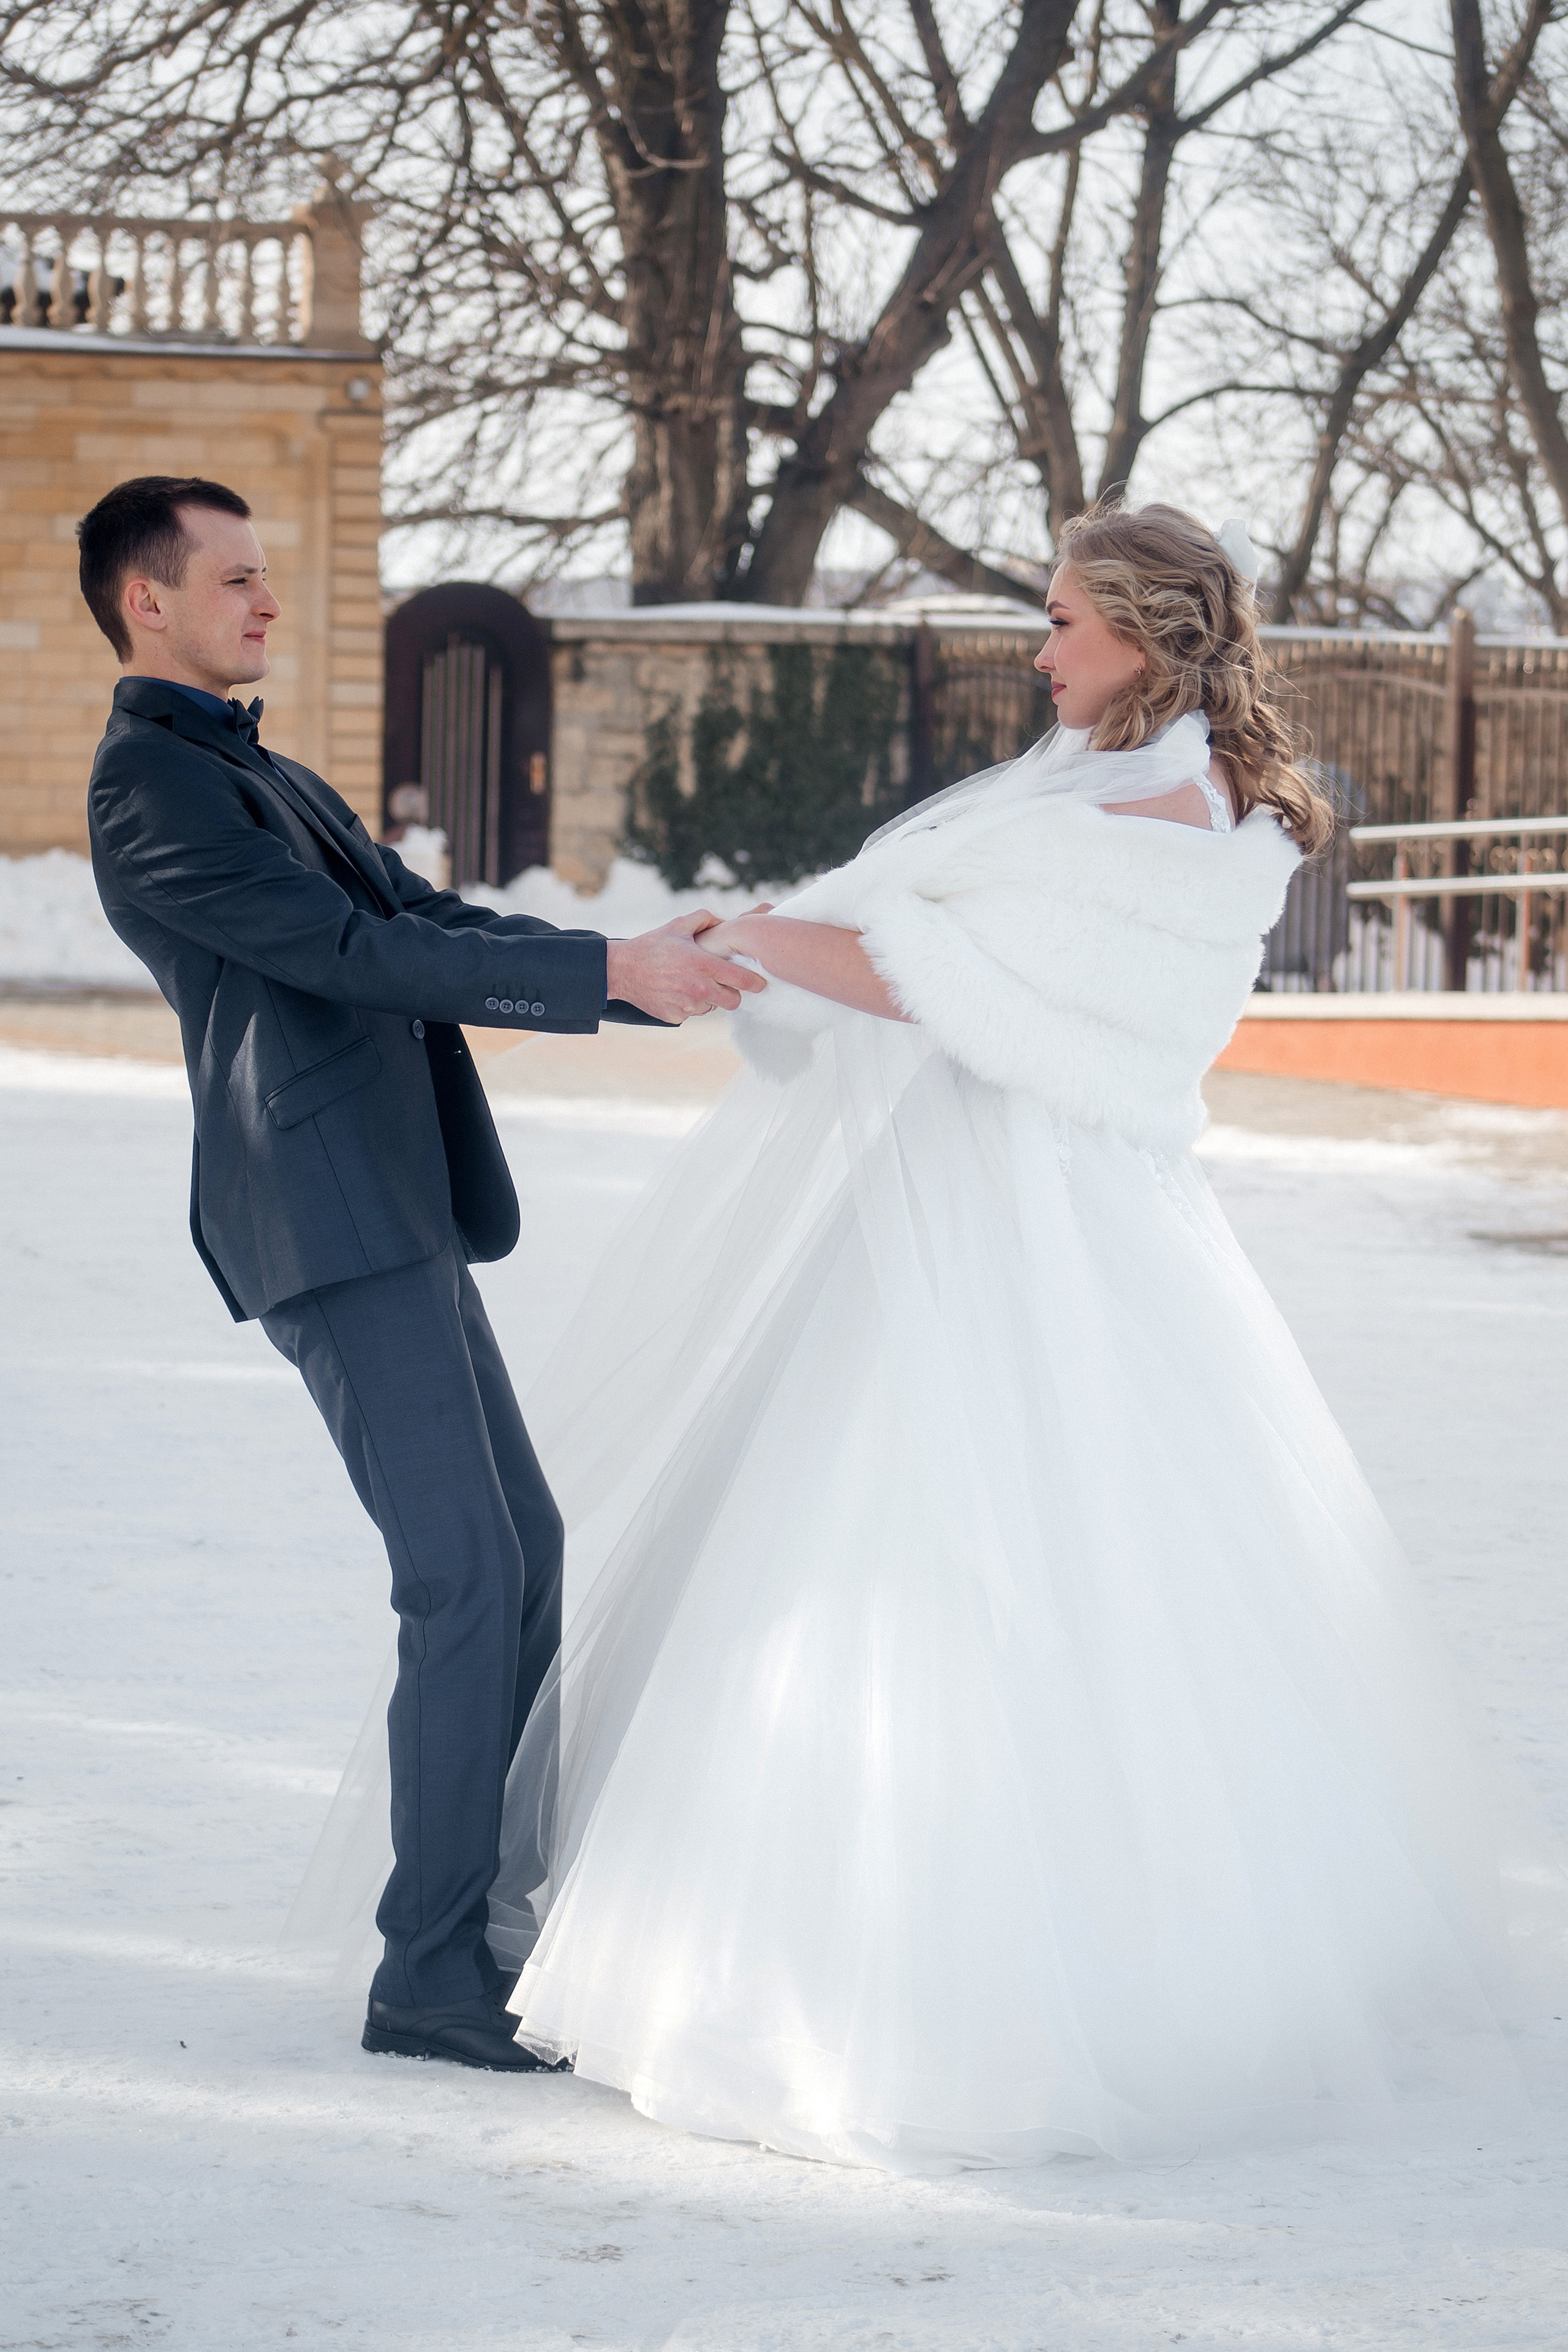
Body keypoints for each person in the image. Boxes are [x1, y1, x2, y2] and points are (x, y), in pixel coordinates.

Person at [445, 499, 1561, 2167]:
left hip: (1049, 1216)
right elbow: (941, 958)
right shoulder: (1118, 784)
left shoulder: (1164, 805)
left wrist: (740, 934)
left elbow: (936, 967)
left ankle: (982, 1992)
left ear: (1144, 627)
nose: (1037, 649)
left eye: (1059, 619)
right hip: (996, 1186)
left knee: (995, 1546)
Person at [78, 473, 764, 2073]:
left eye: (268, 575)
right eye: (236, 578)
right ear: (146, 604)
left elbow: (424, 914)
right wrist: (610, 973)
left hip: (388, 1201)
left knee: (520, 1549)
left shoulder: (265, 775)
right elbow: (356, 959)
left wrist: (631, 973)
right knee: (464, 1571)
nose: (266, 600)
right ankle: (431, 1974)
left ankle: (488, 1927)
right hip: (320, 1213)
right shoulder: (150, 794)